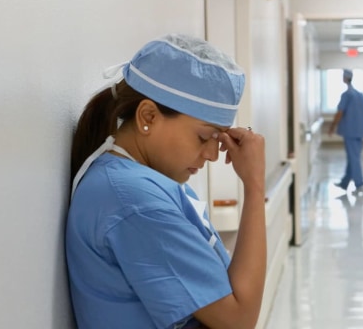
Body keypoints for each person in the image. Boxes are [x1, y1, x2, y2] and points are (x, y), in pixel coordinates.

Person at [67, 34, 267, 329]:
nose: (213, 154)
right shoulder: (134, 201)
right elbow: (238, 320)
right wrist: (254, 186)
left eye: (219, 138)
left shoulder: (146, 182)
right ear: (148, 116)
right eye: (204, 137)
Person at [328, 68, 363, 194]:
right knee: (353, 157)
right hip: (359, 131)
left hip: (350, 131)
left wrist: (332, 126)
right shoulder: (360, 95)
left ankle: (360, 184)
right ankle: (345, 183)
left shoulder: (347, 95)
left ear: (345, 78)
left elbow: (340, 112)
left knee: (354, 158)